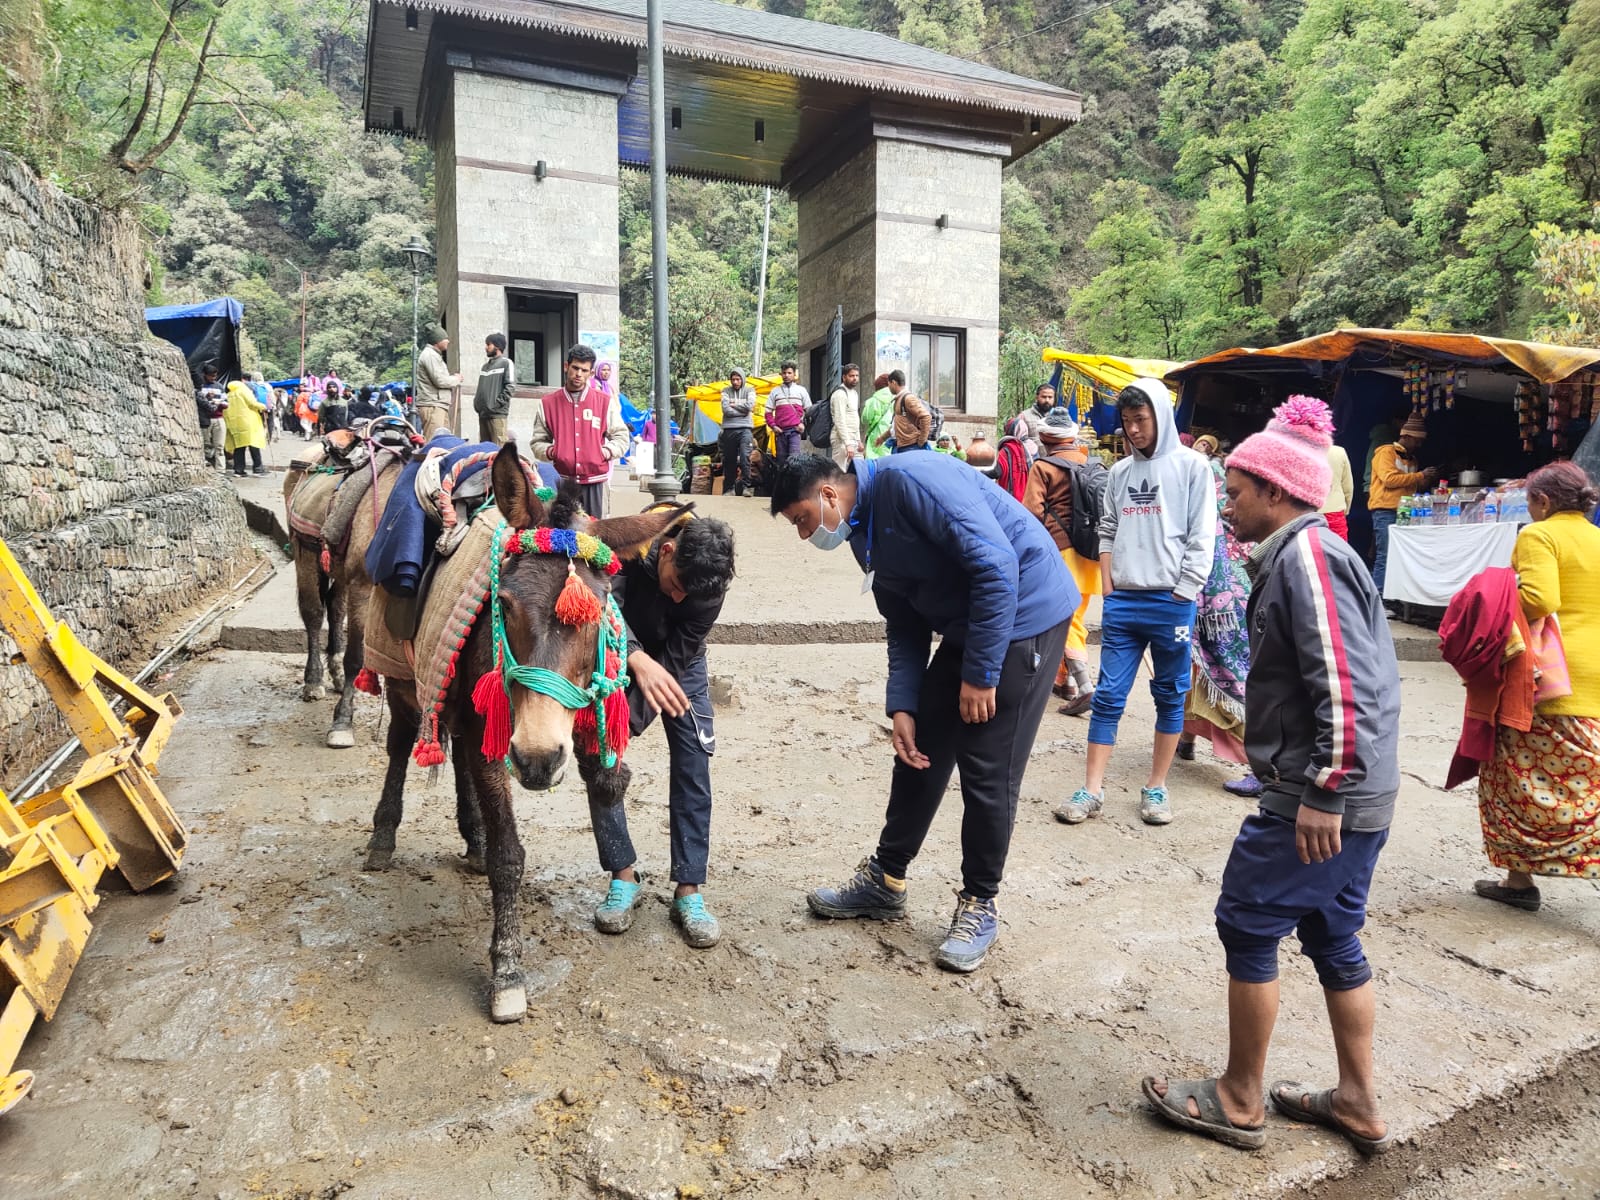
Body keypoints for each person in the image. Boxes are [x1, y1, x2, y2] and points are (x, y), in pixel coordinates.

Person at [1143, 397, 1400, 1157]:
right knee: (1332, 932)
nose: (1227, 505)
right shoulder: (1302, 556)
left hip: (1323, 796)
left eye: (1237, 491)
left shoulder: (1309, 559)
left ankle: (1240, 1097)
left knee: (1248, 922)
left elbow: (1346, 685)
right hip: (1356, 792)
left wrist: (1324, 791)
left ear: (1279, 492)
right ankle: (1356, 1100)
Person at [772, 453, 1077, 973]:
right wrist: (904, 704)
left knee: (986, 763)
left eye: (801, 519)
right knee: (918, 749)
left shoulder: (911, 482)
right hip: (972, 621)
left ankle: (981, 901)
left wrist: (981, 676)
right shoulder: (860, 531)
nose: (804, 536)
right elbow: (903, 621)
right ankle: (886, 879)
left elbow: (997, 566)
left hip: (1024, 613)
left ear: (827, 495)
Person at [1056, 379, 1216, 828]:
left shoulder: (1192, 467)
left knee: (1169, 694)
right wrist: (1109, 587)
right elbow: (1107, 529)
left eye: (1140, 420)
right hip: (1124, 602)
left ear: (1161, 417)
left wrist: (1185, 590)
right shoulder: (1121, 472)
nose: (1133, 430)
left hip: (1172, 602)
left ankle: (1157, 787)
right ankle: (1092, 789)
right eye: (1126, 423)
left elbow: (1204, 534)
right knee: (1107, 696)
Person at [591, 515, 738, 948]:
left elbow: (681, 649)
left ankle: (689, 890)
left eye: (687, 595)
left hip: (680, 663)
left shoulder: (708, 584)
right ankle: (622, 876)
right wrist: (635, 658)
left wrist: (634, 717)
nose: (678, 596)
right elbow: (605, 607)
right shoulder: (626, 547)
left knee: (694, 759)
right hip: (616, 650)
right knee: (603, 754)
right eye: (675, 584)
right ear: (668, 551)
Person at [1474, 461, 1600, 912]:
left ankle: (1520, 880)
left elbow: (1540, 598)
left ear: (1543, 502)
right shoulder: (1596, 537)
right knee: (1586, 783)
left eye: (1528, 501)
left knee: (1516, 779)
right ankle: (1516, 881)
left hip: (1551, 679)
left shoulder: (1539, 535)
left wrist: (1486, 608)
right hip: (1593, 677)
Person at [1176, 414, 1270, 797]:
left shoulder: (1214, 499)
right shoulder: (1216, 496)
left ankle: (1258, 764)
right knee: (1190, 671)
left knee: (1229, 674)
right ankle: (1185, 738)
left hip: (1222, 601)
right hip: (1209, 597)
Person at [1021, 409, 1103, 716]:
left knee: (1065, 620)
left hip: (1061, 553)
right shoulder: (1090, 463)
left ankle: (1085, 686)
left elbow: (1031, 512)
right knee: (1075, 615)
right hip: (1093, 555)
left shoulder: (1043, 466)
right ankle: (1063, 682)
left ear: (1043, 437)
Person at [530, 343, 631, 517]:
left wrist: (604, 452)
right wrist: (553, 452)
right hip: (562, 482)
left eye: (584, 370)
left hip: (595, 482)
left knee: (595, 534)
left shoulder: (604, 402)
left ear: (591, 373)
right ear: (566, 366)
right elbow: (537, 441)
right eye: (575, 368)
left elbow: (622, 437)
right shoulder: (548, 404)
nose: (578, 374)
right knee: (563, 534)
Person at [1366, 412, 1438, 603]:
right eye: (1416, 441)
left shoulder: (1413, 460)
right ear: (1405, 436)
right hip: (1385, 510)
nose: (1418, 445)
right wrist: (1420, 476)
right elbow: (1389, 480)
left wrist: (1426, 479)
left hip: (1406, 511)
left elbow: (1413, 486)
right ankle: (1378, 599)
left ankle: (1393, 598)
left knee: (1401, 556)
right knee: (1385, 554)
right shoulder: (1385, 452)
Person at [415, 324, 461, 440]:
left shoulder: (434, 355)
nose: (448, 341)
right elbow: (439, 381)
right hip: (432, 405)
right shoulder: (430, 356)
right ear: (437, 341)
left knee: (443, 442)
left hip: (438, 405)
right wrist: (456, 379)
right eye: (445, 339)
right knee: (433, 443)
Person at [718, 369, 756, 497]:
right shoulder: (725, 391)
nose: (735, 382)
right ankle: (730, 489)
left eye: (738, 379)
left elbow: (750, 406)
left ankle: (747, 487)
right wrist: (743, 410)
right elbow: (725, 409)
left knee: (745, 456)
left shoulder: (750, 390)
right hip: (729, 429)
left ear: (743, 379)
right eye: (733, 379)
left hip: (746, 429)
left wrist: (733, 405)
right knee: (729, 460)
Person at [473, 332, 516, 445]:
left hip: (497, 415)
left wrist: (495, 405)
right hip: (483, 414)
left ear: (497, 346)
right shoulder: (485, 367)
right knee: (484, 449)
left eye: (488, 344)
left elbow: (510, 387)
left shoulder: (506, 363)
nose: (486, 347)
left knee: (499, 449)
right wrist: (478, 405)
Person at [223, 379, 269, 477]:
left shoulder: (229, 394)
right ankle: (258, 469)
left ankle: (239, 470)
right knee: (254, 444)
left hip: (235, 424)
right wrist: (263, 406)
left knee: (239, 446)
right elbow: (252, 403)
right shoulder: (243, 391)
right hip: (248, 422)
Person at [765, 361, 809, 462]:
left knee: (794, 461)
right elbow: (768, 412)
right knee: (781, 463)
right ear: (781, 374)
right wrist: (773, 426)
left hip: (795, 431)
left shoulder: (801, 390)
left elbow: (809, 411)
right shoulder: (775, 391)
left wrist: (803, 424)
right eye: (784, 373)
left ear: (794, 374)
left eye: (789, 373)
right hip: (780, 433)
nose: (786, 375)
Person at [828, 363, 862, 469]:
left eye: (856, 376)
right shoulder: (839, 394)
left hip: (854, 440)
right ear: (844, 377)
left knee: (859, 471)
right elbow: (839, 420)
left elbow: (854, 417)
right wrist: (847, 444)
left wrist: (859, 440)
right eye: (851, 376)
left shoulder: (854, 393)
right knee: (839, 474)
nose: (855, 378)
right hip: (841, 440)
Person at [1009, 383, 1057, 457]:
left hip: (1053, 463)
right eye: (1044, 397)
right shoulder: (1024, 416)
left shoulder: (1057, 417)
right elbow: (1015, 442)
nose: (1047, 400)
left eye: (1050, 397)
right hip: (1031, 464)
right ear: (1037, 397)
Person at [195, 365, 227, 469]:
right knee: (206, 445)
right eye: (211, 376)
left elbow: (226, 402)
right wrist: (208, 399)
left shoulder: (219, 386)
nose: (213, 378)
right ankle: (208, 468)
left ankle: (221, 470)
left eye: (215, 376)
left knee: (220, 446)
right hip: (205, 419)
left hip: (218, 418)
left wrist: (219, 403)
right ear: (205, 375)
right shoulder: (200, 386)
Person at [1323, 438, 1355, 541]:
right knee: (1338, 552)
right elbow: (1348, 487)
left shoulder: (1298, 451)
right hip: (1334, 512)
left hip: (1304, 514)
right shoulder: (1339, 452)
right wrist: (1346, 510)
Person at [861, 372, 895, 460]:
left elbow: (865, 418)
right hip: (892, 433)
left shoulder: (874, 400)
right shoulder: (897, 398)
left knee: (875, 462)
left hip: (876, 435)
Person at [888, 386, 932, 452]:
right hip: (901, 445)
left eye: (889, 384)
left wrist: (921, 441)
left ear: (893, 383)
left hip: (911, 446)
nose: (889, 387)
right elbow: (895, 425)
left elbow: (926, 417)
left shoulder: (908, 398)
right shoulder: (898, 399)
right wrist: (882, 438)